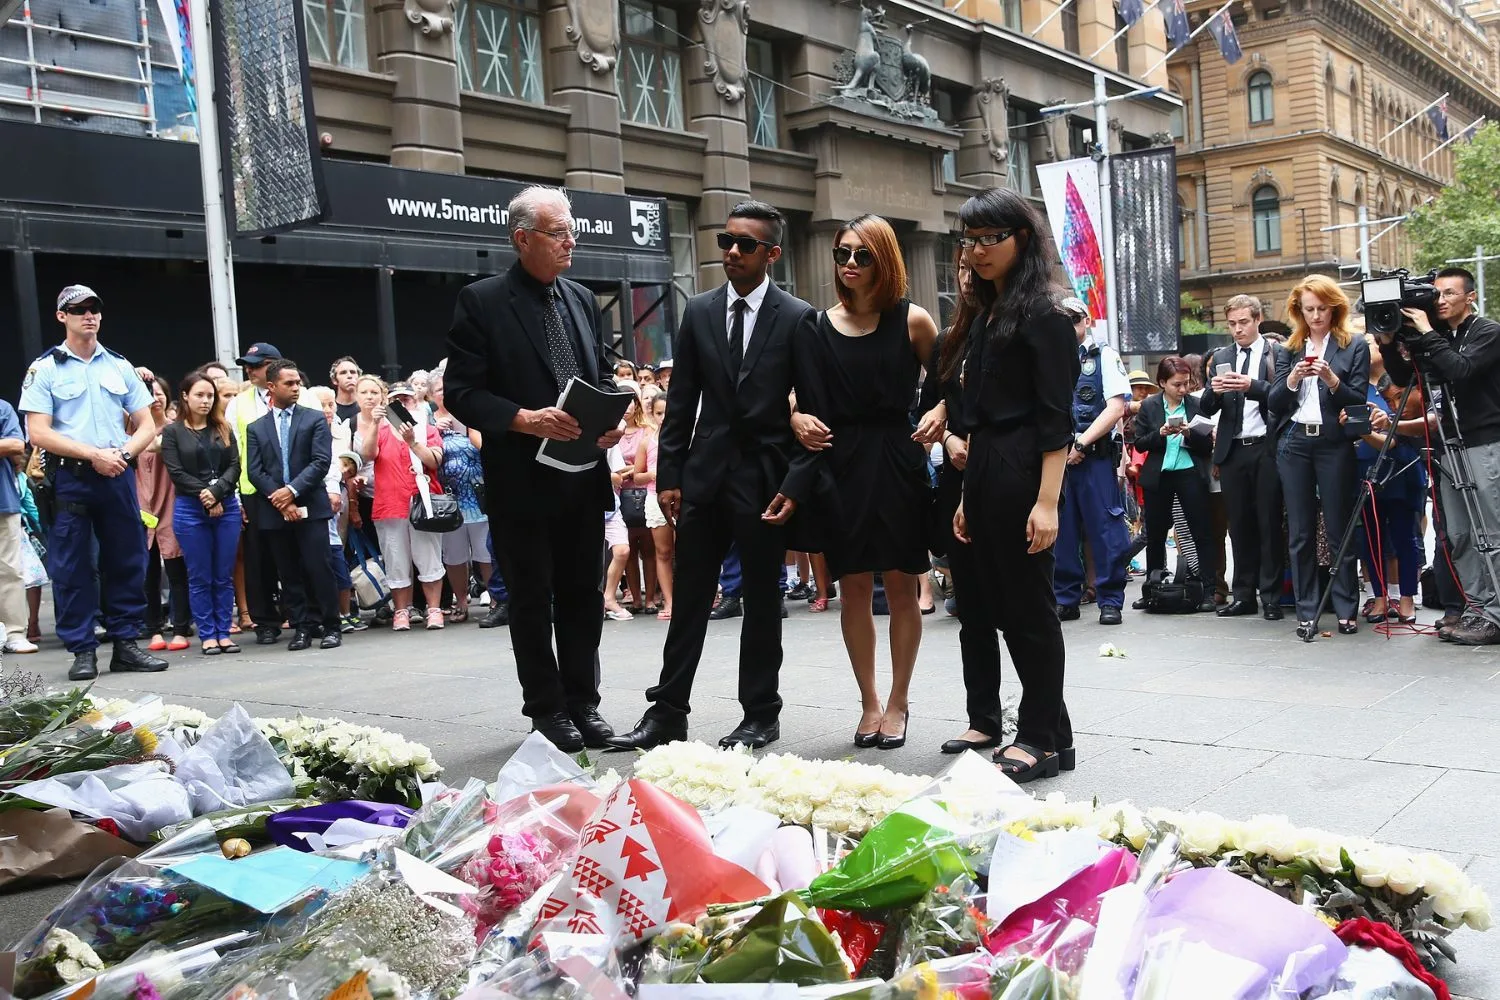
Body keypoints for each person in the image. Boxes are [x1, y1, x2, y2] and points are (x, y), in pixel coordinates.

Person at [607, 200, 820, 752]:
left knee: (762, 601)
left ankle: (761, 714)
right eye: (726, 241)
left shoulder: (797, 317)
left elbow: (816, 412)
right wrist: (669, 476)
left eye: (746, 244)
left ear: (771, 254)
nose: (732, 251)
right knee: (690, 597)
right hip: (702, 477)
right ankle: (667, 712)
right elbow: (681, 401)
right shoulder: (700, 311)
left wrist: (794, 485)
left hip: (765, 480)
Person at [445, 185, 623, 752]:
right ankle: (546, 709)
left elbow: (600, 374)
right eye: (558, 233)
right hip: (521, 478)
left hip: (582, 472)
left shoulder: (581, 298)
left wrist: (612, 416)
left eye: (572, 231)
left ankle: (583, 702)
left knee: (582, 594)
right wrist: (523, 419)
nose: (571, 242)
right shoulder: (483, 301)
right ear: (522, 239)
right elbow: (462, 392)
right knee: (530, 596)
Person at [790, 213, 941, 750]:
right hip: (840, 462)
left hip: (897, 459)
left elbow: (949, 380)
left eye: (862, 254)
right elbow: (792, 393)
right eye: (842, 253)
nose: (849, 263)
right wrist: (794, 417)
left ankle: (899, 700)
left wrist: (940, 412)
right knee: (852, 588)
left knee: (901, 585)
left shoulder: (912, 320)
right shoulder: (814, 326)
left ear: (885, 259)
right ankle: (869, 702)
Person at [950, 187, 1077, 783]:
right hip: (984, 469)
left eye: (990, 238)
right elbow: (976, 414)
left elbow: (1056, 420)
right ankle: (1055, 733)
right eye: (970, 240)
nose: (977, 251)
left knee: (1029, 609)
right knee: (1002, 607)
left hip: (1025, 467)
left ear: (1021, 239)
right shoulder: (988, 313)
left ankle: (1039, 739)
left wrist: (1047, 501)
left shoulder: (1046, 316)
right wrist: (966, 496)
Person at [19, 286, 170, 679]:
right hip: (72, 476)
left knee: (127, 559)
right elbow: (38, 432)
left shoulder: (118, 365)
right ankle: (83, 649)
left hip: (117, 472)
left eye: (94, 309)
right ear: (61, 316)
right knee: (73, 566)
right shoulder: (46, 368)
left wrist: (122, 455)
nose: (88, 315)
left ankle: (126, 644)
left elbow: (147, 423)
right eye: (78, 310)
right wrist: (93, 455)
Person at [1383, 267, 1500, 645]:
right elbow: (1406, 377)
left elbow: (1461, 370)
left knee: (1490, 532)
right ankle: (1477, 609)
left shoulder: (1487, 332)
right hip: (1450, 444)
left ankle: (1497, 614)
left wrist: (1427, 332)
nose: (1442, 300)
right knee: (1460, 534)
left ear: (1470, 298)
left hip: (1484, 441)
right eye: (1438, 294)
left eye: (1450, 293)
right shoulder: (1439, 336)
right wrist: (1388, 341)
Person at [926, 252, 1007, 754]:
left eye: (973, 264)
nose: (966, 275)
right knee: (972, 611)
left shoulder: (1015, 328)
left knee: (1021, 611)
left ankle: (1045, 723)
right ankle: (984, 718)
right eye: (958, 266)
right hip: (958, 482)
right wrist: (949, 438)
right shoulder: (948, 340)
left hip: (1008, 480)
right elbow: (930, 407)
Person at [1268, 275, 1370, 638]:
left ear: (1335, 308)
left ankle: (1345, 608)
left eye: (1322, 309)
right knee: (1300, 530)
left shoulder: (1353, 345)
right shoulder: (1288, 348)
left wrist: (1331, 379)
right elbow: (1275, 402)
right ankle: (1306, 610)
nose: (1315, 316)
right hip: (1295, 441)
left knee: (1339, 527)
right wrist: (1293, 378)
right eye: (1308, 309)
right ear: (1299, 311)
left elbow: (1357, 400)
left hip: (1333, 442)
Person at [1199, 295, 1290, 619]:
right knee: (1238, 526)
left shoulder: (1277, 353)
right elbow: (1206, 406)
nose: (1237, 329)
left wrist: (1252, 386)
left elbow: (1284, 397)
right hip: (1232, 449)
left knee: (1269, 523)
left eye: (1243, 322)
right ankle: (1243, 595)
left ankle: (1272, 598)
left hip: (1266, 446)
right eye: (1232, 324)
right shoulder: (1222, 356)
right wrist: (1214, 391)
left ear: (1257, 320)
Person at [246, 359, 344, 650]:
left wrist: (291, 491)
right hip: (275, 510)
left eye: (298, 382)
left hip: (311, 505)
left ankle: (331, 626)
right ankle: (302, 627)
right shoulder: (256, 428)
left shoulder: (314, 419)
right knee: (288, 572)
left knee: (319, 567)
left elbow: (321, 461)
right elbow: (254, 470)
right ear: (271, 386)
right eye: (289, 383)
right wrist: (280, 499)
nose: (296, 387)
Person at [229, 341, 316, 645]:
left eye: (257, 365)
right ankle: (265, 621)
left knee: (301, 557)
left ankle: (307, 617)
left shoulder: (305, 396)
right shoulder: (238, 403)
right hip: (256, 491)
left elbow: (321, 447)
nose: (249, 370)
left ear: (275, 367)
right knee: (259, 560)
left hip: (299, 490)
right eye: (247, 365)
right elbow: (234, 450)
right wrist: (236, 495)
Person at [1053, 296, 1130, 625]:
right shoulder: (1049, 357)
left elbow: (1116, 408)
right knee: (1061, 531)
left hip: (1095, 458)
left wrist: (1082, 442)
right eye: (1063, 320)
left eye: (1075, 319)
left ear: (1087, 321)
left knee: (1106, 530)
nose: (1070, 326)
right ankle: (1065, 598)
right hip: (1057, 458)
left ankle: (1109, 599)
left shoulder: (1104, 357)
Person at [1344, 333, 1425, 626]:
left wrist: (1370, 428)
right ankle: (1379, 597)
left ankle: (1406, 597)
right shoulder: (1356, 386)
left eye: (1370, 343)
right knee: (1371, 538)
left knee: (1405, 536)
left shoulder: (1406, 383)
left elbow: (1394, 439)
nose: (1365, 350)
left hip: (1402, 470)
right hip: (1366, 470)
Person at [161, 371, 243, 654]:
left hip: (226, 506)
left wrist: (217, 492)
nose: (205, 401)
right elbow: (176, 472)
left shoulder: (223, 427)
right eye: (199, 395)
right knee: (199, 575)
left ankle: (224, 631)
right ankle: (207, 634)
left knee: (223, 574)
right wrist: (206, 495)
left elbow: (235, 465)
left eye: (210, 395)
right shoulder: (173, 432)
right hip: (190, 508)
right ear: (185, 396)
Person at [360, 381, 447, 631]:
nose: (402, 404)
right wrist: (375, 423)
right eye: (395, 400)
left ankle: (434, 609)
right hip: (390, 504)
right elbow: (367, 455)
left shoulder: (428, 430)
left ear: (415, 402)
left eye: (406, 399)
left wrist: (413, 442)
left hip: (422, 501)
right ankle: (401, 610)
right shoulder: (381, 430)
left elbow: (434, 461)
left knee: (429, 556)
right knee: (395, 558)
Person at [1134, 356, 1216, 610]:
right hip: (1160, 474)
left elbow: (1206, 445)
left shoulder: (1196, 404)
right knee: (1156, 534)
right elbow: (1139, 443)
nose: (1183, 389)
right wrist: (1160, 434)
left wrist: (1190, 433)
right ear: (1162, 383)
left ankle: (1209, 590)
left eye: (1186, 383)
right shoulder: (1149, 406)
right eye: (1177, 384)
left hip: (1189, 472)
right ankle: (1152, 589)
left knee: (1201, 531)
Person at [136, 376, 191, 652]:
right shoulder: (133, 431)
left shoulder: (176, 429)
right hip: (140, 505)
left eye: (160, 393)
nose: (155, 398)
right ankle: (154, 628)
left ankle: (180, 627)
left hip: (171, 501)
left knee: (176, 567)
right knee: (147, 573)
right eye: (150, 393)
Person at [431, 371, 490, 624]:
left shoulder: (472, 415)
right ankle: (461, 601)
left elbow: (484, 446)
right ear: (431, 395)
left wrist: (468, 426)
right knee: (454, 555)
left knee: (485, 551)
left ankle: (496, 598)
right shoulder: (427, 421)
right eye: (439, 389)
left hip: (477, 496)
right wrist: (434, 431)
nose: (444, 393)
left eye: (448, 388)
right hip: (447, 500)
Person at [0, 398, 36, 654]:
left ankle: (14, 633)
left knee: (10, 570)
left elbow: (16, 444)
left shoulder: (2, 407)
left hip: (3, 501)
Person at [634, 392, 675, 621]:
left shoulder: (687, 439)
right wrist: (651, 474)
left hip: (682, 499)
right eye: (659, 413)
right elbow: (637, 476)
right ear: (652, 414)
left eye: (667, 412)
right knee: (663, 552)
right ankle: (669, 601)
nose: (663, 418)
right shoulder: (647, 441)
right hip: (654, 498)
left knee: (688, 551)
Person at [331, 357, 362, 424]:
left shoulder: (366, 406)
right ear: (334, 380)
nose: (349, 376)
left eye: (353, 372)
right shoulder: (329, 409)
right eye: (343, 373)